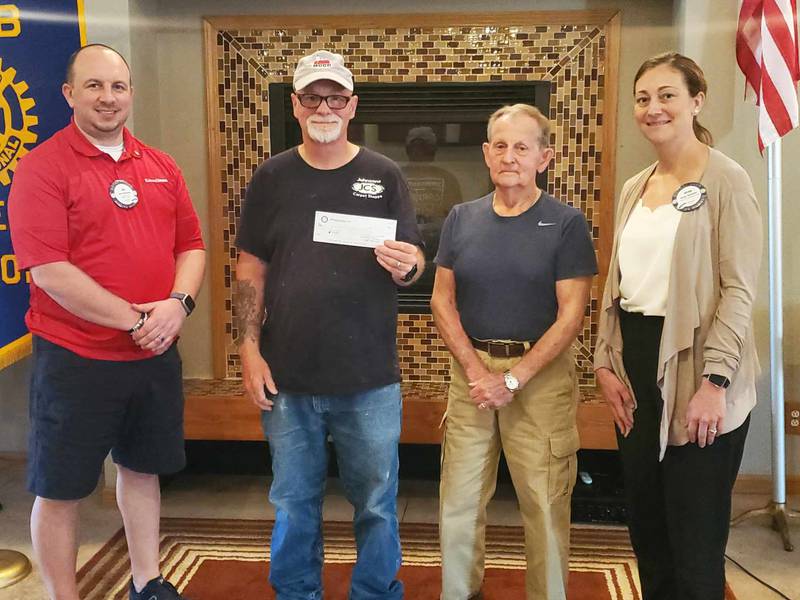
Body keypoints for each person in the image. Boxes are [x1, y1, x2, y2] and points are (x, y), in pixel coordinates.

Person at [7, 44, 205, 600]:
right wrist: (137, 320)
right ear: (69, 94)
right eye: (94, 86)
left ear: (131, 94)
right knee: (62, 489)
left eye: (118, 87)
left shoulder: (162, 166)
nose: (108, 98)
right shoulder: (42, 168)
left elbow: (192, 246)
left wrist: (177, 307)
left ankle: (148, 581)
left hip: (153, 354)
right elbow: (49, 271)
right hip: (75, 359)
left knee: (142, 471)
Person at [234, 50, 424, 600]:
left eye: (336, 97)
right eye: (313, 96)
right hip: (287, 377)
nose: (325, 107)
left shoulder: (384, 174)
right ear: (295, 105)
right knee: (293, 502)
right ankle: (296, 592)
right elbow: (250, 268)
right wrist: (248, 350)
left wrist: (410, 265)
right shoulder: (270, 178)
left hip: (368, 378)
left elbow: (415, 260)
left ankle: (376, 592)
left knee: (375, 502)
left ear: (352, 106)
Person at [594, 52, 761, 600]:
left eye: (667, 95)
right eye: (643, 98)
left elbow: (739, 290)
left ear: (697, 100)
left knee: (694, 538)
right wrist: (604, 362)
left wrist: (715, 383)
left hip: (700, 367)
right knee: (648, 528)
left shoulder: (727, 180)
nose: (653, 108)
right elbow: (616, 284)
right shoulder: (635, 185)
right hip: (636, 365)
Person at [431, 103, 597, 600]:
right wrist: (476, 371)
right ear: (485, 154)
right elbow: (442, 300)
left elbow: (571, 315)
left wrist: (513, 379)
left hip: (540, 381)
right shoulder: (461, 219)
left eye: (522, 147)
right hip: (472, 377)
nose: (510, 156)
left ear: (544, 158)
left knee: (544, 505)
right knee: (458, 502)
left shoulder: (566, 223)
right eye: (500, 146)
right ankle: (459, 593)